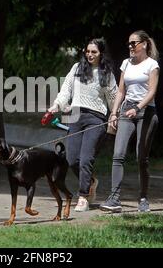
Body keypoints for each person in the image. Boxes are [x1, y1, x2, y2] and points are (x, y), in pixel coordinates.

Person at [48, 38, 117, 212]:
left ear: (101, 53)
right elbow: (66, 90)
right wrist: (57, 105)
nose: (90, 54)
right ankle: (91, 181)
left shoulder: (107, 74)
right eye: (87, 51)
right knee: (72, 159)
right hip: (76, 117)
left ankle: (83, 197)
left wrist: (115, 115)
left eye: (94, 52)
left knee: (86, 159)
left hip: (96, 119)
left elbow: (114, 99)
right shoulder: (77, 69)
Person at [100, 30, 159, 213]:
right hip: (127, 109)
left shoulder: (152, 65)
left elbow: (152, 92)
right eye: (129, 43)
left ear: (144, 44)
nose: (131, 47)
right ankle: (114, 199)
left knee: (142, 158)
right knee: (118, 154)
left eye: (134, 43)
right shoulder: (126, 63)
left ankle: (143, 198)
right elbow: (120, 91)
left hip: (146, 111)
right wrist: (114, 112)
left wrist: (138, 108)